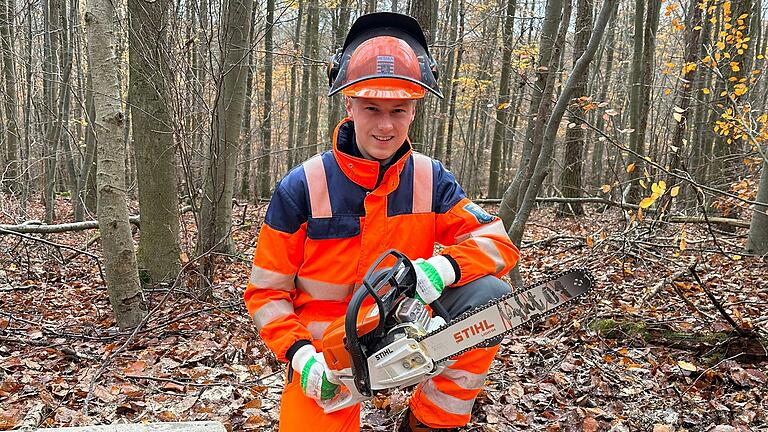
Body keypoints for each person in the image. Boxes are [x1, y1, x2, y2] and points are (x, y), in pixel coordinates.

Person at [244, 12, 520, 432]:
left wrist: (442, 268)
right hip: (328, 355)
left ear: (414, 109)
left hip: (407, 328)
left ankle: (429, 422)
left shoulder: (429, 179)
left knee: (491, 297)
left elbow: (496, 242)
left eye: (400, 109)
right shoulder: (303, 186)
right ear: (349, 104)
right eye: (372, 108)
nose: (386, 124)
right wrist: (299, 355)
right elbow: (267, 292)